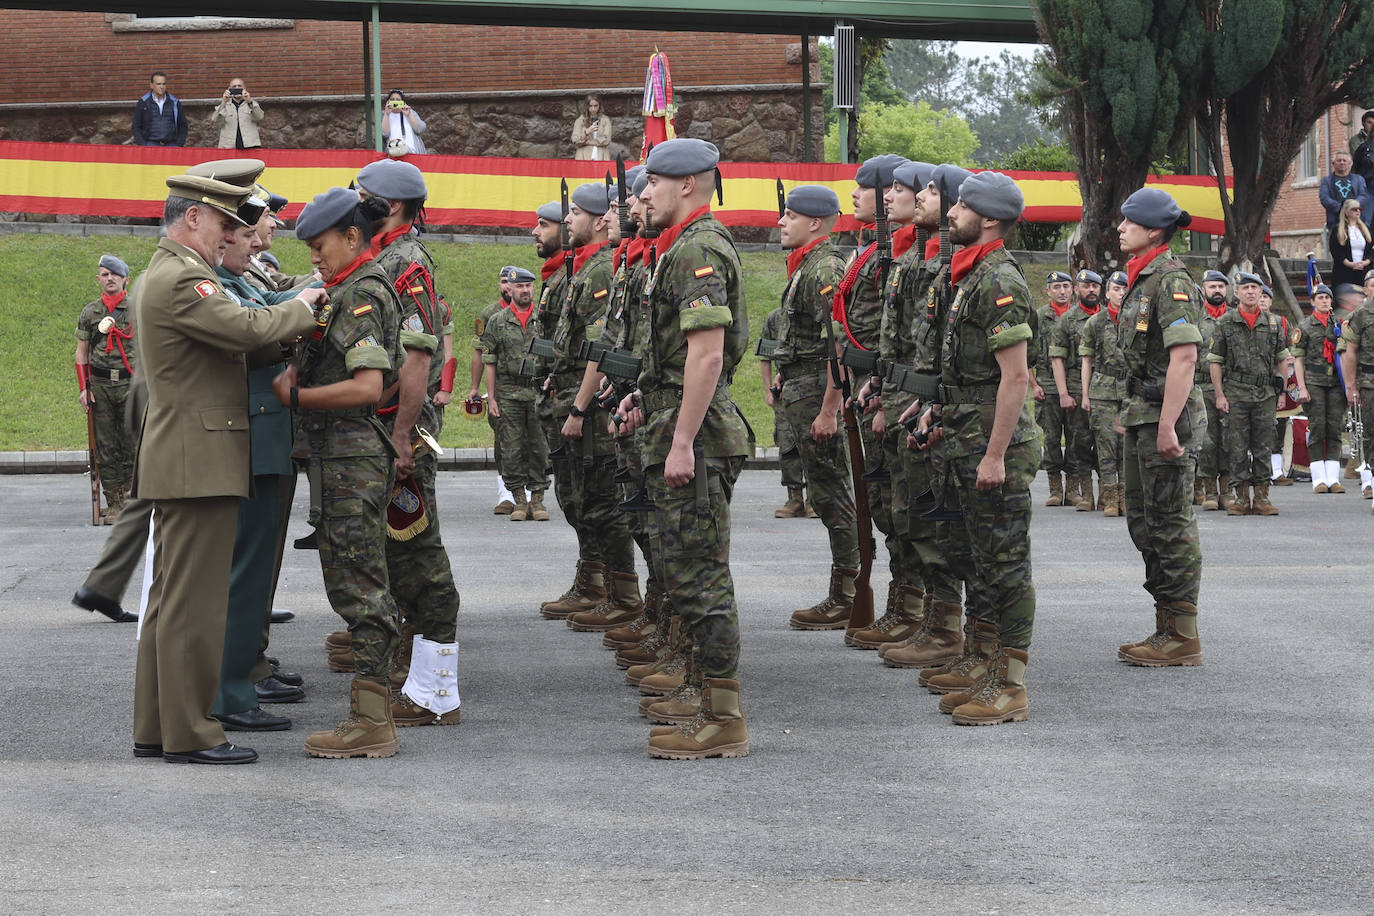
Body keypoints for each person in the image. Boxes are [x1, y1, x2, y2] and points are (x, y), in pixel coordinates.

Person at [131, 162, 320, 765]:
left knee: (171, 603)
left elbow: (244, 338)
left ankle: (159, 727)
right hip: (198, 456)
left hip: (192, 455)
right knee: (193, 605)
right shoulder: (186, 279)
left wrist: (282, 324)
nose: (230, 235)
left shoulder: (177, 272)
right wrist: (309, 302)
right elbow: (244, 326)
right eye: (223, 222)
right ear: (193, 217)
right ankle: (191, 733)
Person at [617, 138, 753, 759]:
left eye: (653, 182)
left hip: (694, 431)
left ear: (688, 185)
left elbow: (708, 353)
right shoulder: (682, 246)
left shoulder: (697, 248)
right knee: (683, 570)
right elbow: (676, 353)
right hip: (675, 413)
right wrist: (644, 395)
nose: (643, 193)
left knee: (699, 577)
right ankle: (704, 695)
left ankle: (723, 718)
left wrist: (681, 440)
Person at [275, 187, 410, 757]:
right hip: (342, 457)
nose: (313, 255)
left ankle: (373, 720)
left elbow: (369, 385)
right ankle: (369, 710)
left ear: (352, 237)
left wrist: (298, 397)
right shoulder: (344, 288)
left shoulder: (361, 294)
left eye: (320, 244)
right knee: (353, 582)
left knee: (362, 587)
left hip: (352, 458)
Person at [914, 170, 1039, 725]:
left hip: (996, 443)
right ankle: (985, 662)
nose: (952, 212)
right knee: (983, 561)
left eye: (962, 205)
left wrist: (993, 455)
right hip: (969, 433)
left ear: (989, 219)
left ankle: (1010, 684)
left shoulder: (997, 281)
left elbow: (1014, 379)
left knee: (1006, 565)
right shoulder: (970, 274)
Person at [352, 158, 463, 729]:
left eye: (362, 195)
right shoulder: (384, 256)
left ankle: (436, 691)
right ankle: (416, 669)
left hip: (403, 431)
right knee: (397, 554)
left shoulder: (407, 262)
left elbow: (417, 357)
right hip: (385, 426)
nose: (354, 203)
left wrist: (401, 439)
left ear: (391, 206)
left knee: (418, 553)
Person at [207, 168, 307, 733]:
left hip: (263, 435)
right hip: (245, 436)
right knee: (242, 574)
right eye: (246, 233)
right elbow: (255, 331)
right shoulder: (215, 284)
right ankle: (230, 689)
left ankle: (240, 678)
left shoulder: (239, 279)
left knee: (250, 574)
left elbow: (268, 312)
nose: (257, 240)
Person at [1113, 187, 1206, 667]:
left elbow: (1185, 358)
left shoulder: (1170, 280)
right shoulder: (1142, 277)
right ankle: (1165, 624)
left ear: (1153, 231)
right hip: (1143, 413)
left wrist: (1168, 424)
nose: (1120, 228)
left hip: (1165, 418)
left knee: (1169, 524)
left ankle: (1182, 635)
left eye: (1129, 222)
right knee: (1144, 522)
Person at [556, 182, 645, 635]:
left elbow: (599, 348)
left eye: (576, 213)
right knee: (589, 501)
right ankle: (608, 589)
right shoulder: (597, 267)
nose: (567, 220)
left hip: (603, 405)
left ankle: (623, 595)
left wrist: (579, 405)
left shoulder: (600, 272)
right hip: (602, 399)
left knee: (609, 504)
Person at [769, 185, 857, 630]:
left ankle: (849, 594)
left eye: (790, 216)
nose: (781, 222)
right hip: (802, 386)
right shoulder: (807, 264)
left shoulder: (824, 266)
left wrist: (829, 408)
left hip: (817, 394)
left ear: (815, 223)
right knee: (826, 494)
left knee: (833, 495)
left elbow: (838, 343)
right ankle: (845, 590)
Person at [1209, 272, 1291, 516]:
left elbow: (1281, 360)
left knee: (1264, 445)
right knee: (1237, 447)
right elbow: (1215, 361)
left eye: (1255, 288)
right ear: (1237, 293)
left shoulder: (1274, 323)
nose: (1251, 292)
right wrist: (1220, 395)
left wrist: (1282, 392)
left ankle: (1262, 497)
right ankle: (1241, 497)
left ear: (1261, 292)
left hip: (1265, 394)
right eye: (1246, 288)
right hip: (1236, 393)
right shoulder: (1226, 322)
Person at [482, 268, 549, 521]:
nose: (524, 291)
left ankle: (538, 501)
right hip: (508, 393)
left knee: (539, 447)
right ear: (510, 289)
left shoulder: (543, 320)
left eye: (528, 287)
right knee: (511, 448)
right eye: (519, 287)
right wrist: (492, 398)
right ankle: (519, 501)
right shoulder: (497, 321)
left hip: (537, 391)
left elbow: (554, 356)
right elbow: (490, 360)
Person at [75, 254, 137, 523]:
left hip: (131, 385)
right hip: (100, 386)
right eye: (104, 274)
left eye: (114, 274)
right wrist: (83, 388)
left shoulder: (138, 309)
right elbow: (82, 353)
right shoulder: (90, 312)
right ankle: (114, 504)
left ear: (126, 279)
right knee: (106, 447)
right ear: (98, 279)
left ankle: (134, 504)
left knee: (133, 444)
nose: (109, 278)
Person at [1050, 269, 1103, 511]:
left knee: (1108, 441)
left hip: (1107, 390)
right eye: (1086, 286)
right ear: (1077, 290)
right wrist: (1063, 392)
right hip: (1075, 387)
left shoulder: (1112, 318)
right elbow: (1057, 358)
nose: (1091, 290)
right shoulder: (1068, 320)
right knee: (1079, 441)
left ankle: (1108, 493)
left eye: (1095, 286)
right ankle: (1084, 492)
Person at [1079, 269, 1128, 517]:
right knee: (1106, 446)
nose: (1120, 294)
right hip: (1103, 390)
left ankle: (1126, 497)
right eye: (1116, 289)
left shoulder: (1138, 321)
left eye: (1124, 289)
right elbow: (1087, 360)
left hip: (1130, 390)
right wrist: (1086, 395)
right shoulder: (1095, 322)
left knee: (1128, 447)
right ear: (1107, 293)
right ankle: (1109, 498)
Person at [469, 266, 518, 514]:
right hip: (498, 388)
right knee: (503, 441)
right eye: (503, 281)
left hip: (527, 388)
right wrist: (474, 388)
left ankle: (530, 495)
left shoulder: (534, 311)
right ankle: (506, 494)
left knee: (531, 442)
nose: (508, 286)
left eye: (513, 282)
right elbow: (480, 353)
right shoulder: (489, 314)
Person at [759, 306, 812, 517]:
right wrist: (767, 392)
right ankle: (795, 498)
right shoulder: (775, 318)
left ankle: (814, 500)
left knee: (812, 443)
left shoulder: (811, 316)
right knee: (786, 443)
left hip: (810, 390)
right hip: (784, 391)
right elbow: (765, 356)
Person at [1294, 283, 1347, 493]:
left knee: (1334, 427)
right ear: (1313, 301)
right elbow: (1298, 358)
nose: (1324, 301)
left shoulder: (1340, 324)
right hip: (1314, 381)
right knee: (1317, 427)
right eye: (1320, 298)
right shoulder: (1305, 326)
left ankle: (1333, 478)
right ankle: (1318, 478)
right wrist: (1301, 387)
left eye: (1327, 298)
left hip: (1336, 382)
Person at [1036, 271, 1073, 505]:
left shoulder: (1080, 316)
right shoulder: (1039, 317)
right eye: (1056, 286)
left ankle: (1072, 489)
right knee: (1051, 437)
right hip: (1047, 384)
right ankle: (1055, 488)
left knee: (1076, 437)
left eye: (1066, 286)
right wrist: (1033, 384)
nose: (1062, 291)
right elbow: (1028, 351)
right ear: (1048, 290)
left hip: (1075, 384)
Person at [1195, 269, 1231, 509]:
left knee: (1229, 438)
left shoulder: (1235, 318)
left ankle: (1227, 490)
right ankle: (1208, 490)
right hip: (1201, 386)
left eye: (1220, 286)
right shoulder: (1195, 319)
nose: (1216, 290)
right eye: (1212, 286)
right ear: (1204, 290)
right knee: (1206, 441)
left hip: (1231, 386)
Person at [1340, 291, 1374, 505]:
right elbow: (1350, 351)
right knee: (1370, 434)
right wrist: (1351, 384)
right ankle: (1370, 483)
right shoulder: (1362, 313)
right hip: (1369, 382)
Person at [131, 70, 187, 147]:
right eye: (158, 84)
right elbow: (136, 126)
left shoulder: (174, 102)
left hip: (172, 144)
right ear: (151, 85)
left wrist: (179, 143)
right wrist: (143, 144)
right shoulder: (143, 103)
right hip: (150, 144)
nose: (161, 87)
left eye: (164, 84)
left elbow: (183, 125)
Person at [1319, 150, 1370, 233]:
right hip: (1335, 222)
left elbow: (1364, 196)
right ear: (1333, 163)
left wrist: (1352, 207)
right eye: (1339, 160)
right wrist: (1343, 209)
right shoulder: (1326, 181)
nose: (1342, 163)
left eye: (1344, 160)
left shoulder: (1359, 179)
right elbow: (1324, 198)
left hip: (1357, 222)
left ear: (1350, 163)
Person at [1329, 198, 1372, 290]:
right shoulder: (1338, 230)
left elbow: (1371, 248)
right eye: (1354, 209)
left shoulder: (1366, 229)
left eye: (1359, 209)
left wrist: (1366, 262)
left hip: (1364, 270)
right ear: (1346, 212)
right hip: (1345, 272)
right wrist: (1349, 264)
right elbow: (1335, 250)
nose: (1358, 211)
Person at [210, 78, 265, 150]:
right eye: (234, 87)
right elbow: (216, 121)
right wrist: (223, 102)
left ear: (244, 88)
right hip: (229, 147)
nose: (237, 88)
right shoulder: (224, 105)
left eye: (239, 86)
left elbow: (259, 117)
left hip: (250, 146)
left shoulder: (252, 103)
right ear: (229, 89)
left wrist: (249, 102)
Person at [381, 89, 426, 156]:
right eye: (392, 99)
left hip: (413, 153)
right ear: (388, 102)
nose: (395, 102)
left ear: (403, 102)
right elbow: (384, 134)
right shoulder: (384, 114)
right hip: (393, 154)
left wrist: (409, 115)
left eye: (398, 100)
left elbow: (421, 129)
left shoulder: (410, 112)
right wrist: (387, 114)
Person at [572, 94, 612, 161]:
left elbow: (607, 140)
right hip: (583, 155)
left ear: (599, 106)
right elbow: (575, 140)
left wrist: (587, 142)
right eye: (590, 106)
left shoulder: (605, 120)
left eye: (595, 106)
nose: (593, 109)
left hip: (601, 155)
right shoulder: (580, 120)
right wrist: (586, 132)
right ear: (586, 106)